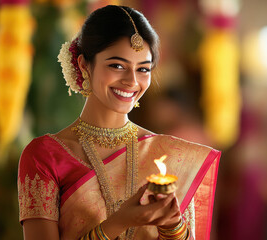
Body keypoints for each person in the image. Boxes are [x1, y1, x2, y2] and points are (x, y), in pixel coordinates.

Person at [17, 5, 220, 240]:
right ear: (84, 65)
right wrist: (120, 222)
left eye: (143, 69)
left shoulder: (170, 155)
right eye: (117, 65)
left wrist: (173, 225)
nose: (132, 81)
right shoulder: (45, 156)